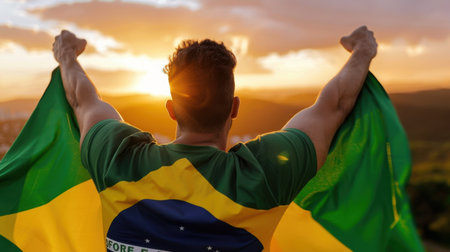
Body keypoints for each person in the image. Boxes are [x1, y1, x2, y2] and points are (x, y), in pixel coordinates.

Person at [52, 25, 377, 251]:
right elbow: (335, 105)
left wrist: (67, 54)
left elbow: (82, 99)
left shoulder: (117, 158)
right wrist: (362, 51)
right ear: (234, 107)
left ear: (171, 110)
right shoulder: (265, 174)